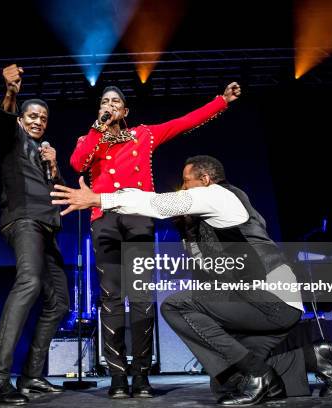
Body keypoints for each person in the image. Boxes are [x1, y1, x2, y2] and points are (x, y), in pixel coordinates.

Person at [51, 155, 332, 405]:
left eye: (186, 182)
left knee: (175, 306)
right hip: (266, 303)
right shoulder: (215, 216)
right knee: (228, 379)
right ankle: (314, 356)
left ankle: (259, 375)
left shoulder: (217, 194)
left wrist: (98, 199)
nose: (183, 189)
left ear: (204, 178)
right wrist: (189, 234)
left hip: (271, 300)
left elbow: (154, 203)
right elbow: (212, 270)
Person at [68, 83, 240, 398]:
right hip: (103, 219)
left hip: (138, 216)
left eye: (115, 101)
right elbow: (77, 164)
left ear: (126, 111)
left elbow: (183, 122)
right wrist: (97, 129)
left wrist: (221, 102)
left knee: (142, 296)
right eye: (105, 102)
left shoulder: (143, 134)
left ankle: (142, 374)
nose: (110, 105)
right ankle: (118, 376)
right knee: (111, 298)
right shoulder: (90, 139)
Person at [0, 64, 69, 405]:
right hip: (23, 222)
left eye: (43, 118)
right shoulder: (12, 136)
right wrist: (11, 92)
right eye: (31, 116)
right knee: (30, 282)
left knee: (59, 301)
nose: (37, 121)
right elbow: (2, 120)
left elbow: (59, 193)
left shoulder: (45, 152)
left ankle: (32, 376)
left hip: (47, 228)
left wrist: (55, 165)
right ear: (22, 119)